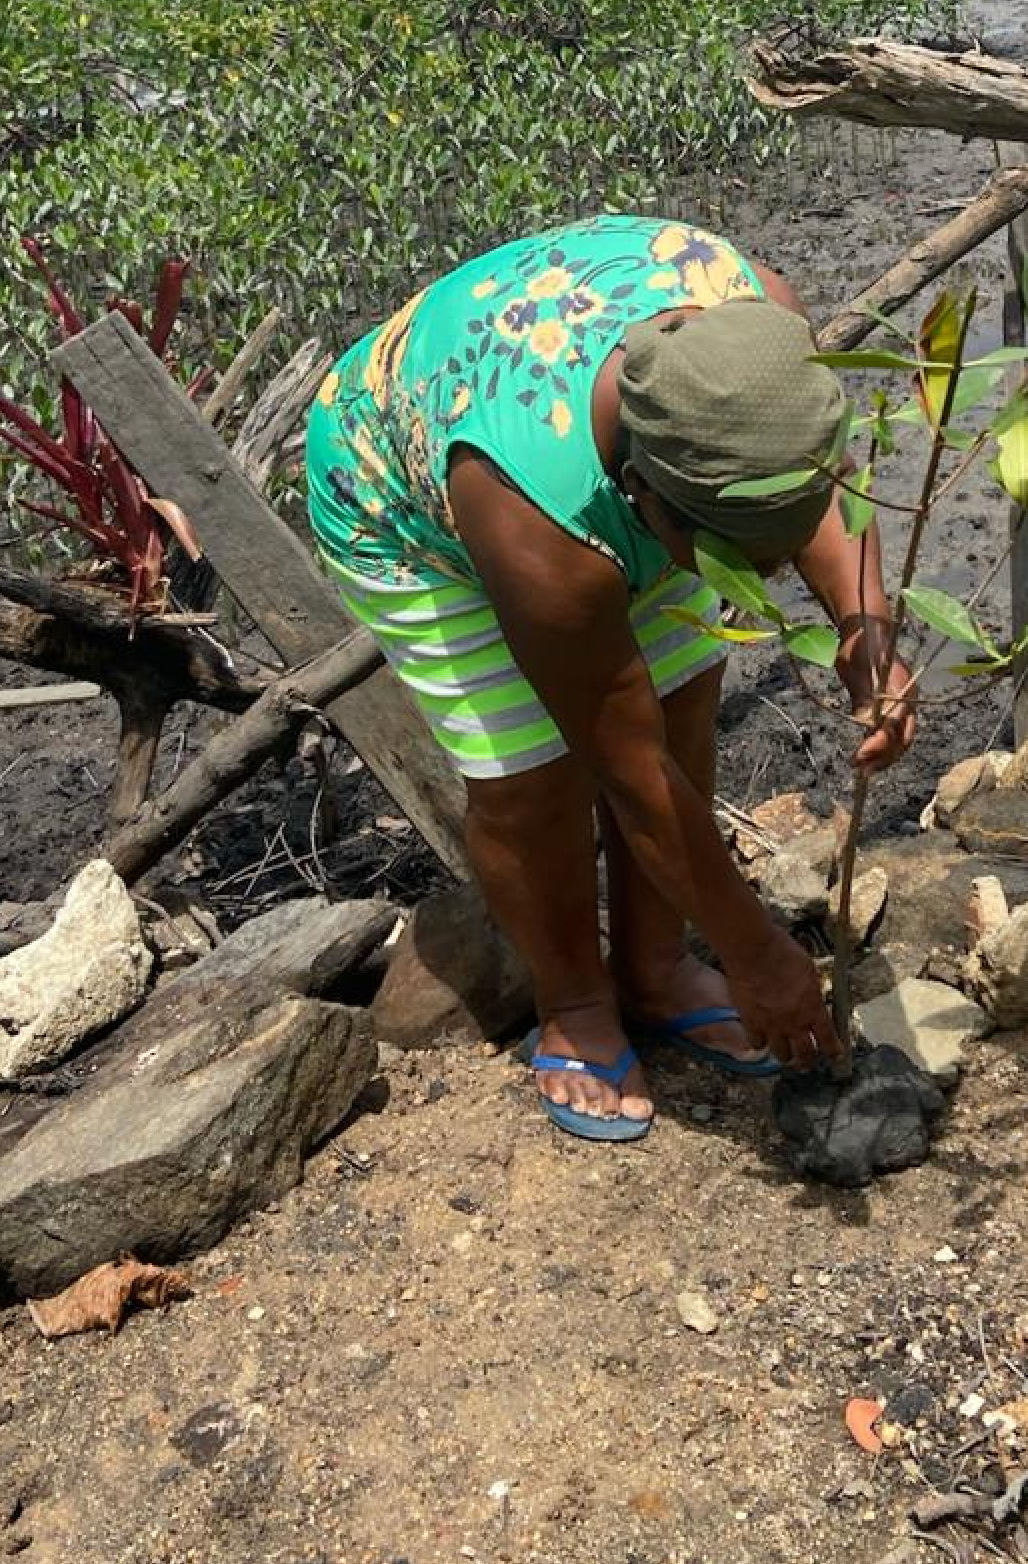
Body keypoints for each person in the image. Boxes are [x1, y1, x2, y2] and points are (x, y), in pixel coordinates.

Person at [306, 213, 916, 1142]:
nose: (751, 580)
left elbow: (822, 480)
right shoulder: (542, 522)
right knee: (534, 781)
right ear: (641, 501)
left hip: (580, 438)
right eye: (724, 554)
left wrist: (864, 628)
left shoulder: (759, 339)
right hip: (399, 488)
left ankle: (656, 970)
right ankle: (577, 1004)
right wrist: (756, 952)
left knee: (685, 705)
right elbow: (628, 776)